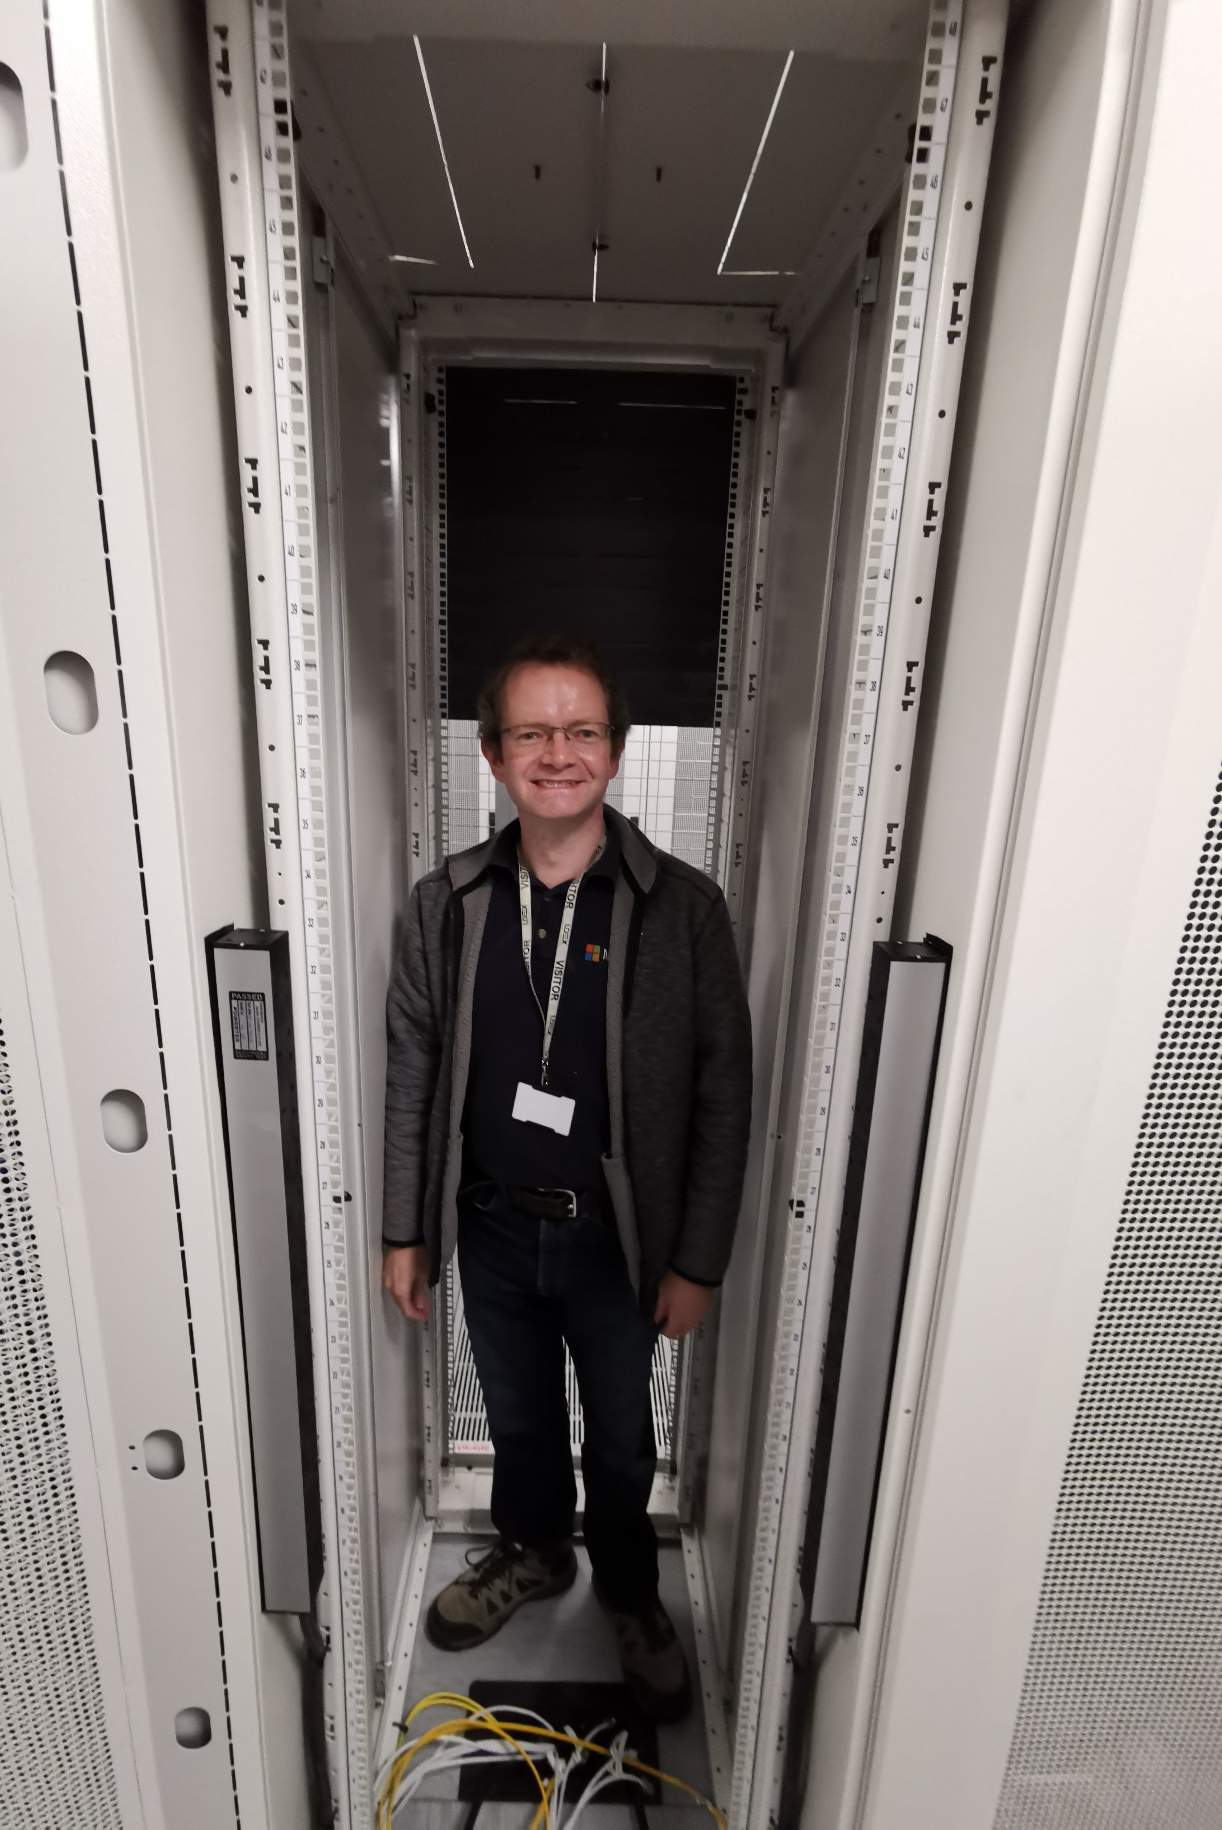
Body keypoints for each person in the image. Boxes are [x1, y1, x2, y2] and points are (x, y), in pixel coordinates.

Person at [381, 632, 752, 1723]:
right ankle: (533, 1550)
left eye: (581, 730)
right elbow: (413, 1065)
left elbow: (723, 1091)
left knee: (623, 1433)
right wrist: (406, 1228)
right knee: (520, 1417)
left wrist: (698, 1257)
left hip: (616, 1240)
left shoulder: (683, 908)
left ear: (616, 749)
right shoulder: (446, 903)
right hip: (492, 1225)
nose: (558, 752)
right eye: (533, 732)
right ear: (494, 755)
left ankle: (631, 1588)